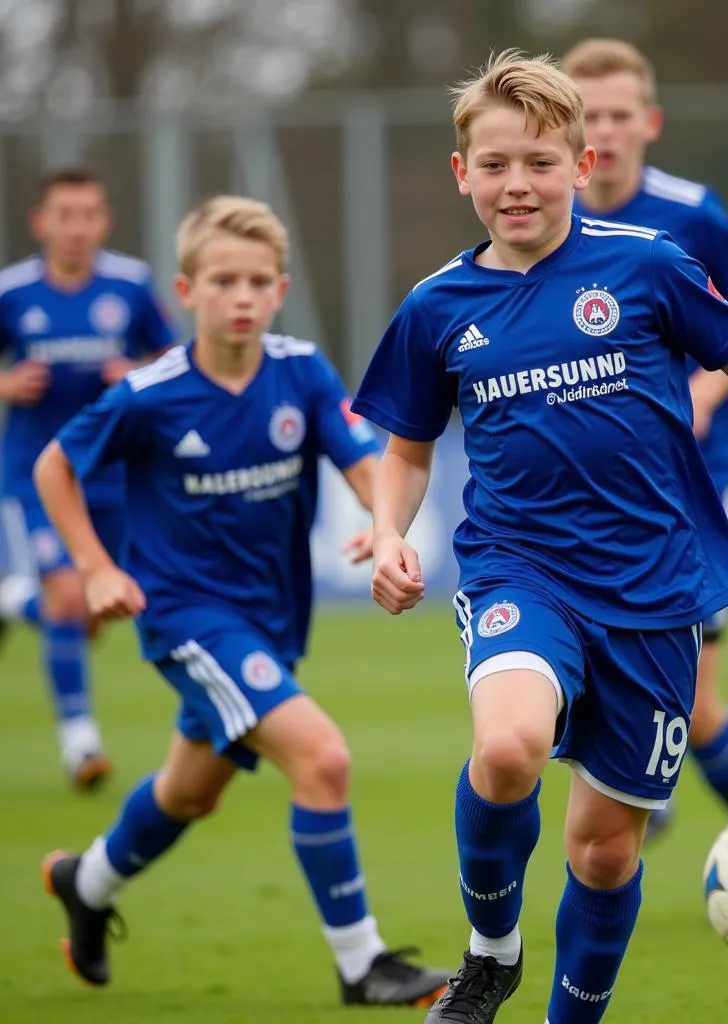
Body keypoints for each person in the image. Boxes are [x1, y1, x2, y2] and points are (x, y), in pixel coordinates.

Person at [351, 49, 728, 1024]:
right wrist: (385, 531)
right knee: (505, 749)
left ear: (581, 166)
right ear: (462, 173)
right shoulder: (435, 308)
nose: (517, 184)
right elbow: (408, 448)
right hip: (519, 566)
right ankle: (489, 955)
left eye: (541, 163)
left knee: (602, 847)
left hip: (655, 588)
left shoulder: (645, 262)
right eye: (495, 165)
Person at [34, 195, 450, 1006]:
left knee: (189, 793)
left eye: (259, 281)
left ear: (281, 288)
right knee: (322, 758)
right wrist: (93, 569)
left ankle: (85, 883)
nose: (243, 297)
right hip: (187, 618)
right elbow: (56, 465)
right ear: (186, 292)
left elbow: (364, 462)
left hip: (269, 619)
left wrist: (385, 524)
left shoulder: (301, 371)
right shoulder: (151, 393)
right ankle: (363, 963)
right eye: (224, 280)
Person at [563, 38, 728, 840]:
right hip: (601, 488)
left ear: (649, 122)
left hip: (701, 474)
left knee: (692, 702)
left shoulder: (692, 214)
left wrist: (707, 385)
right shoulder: (548, 219)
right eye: (589, 115)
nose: (607, 130)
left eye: (621, 114)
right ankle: (643, 792)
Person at [0, 165, 177, 788]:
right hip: (33, 473)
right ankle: (81, 744)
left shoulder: (129, 286)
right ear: (40, 222)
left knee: (100, 609)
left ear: (104, 221)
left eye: (88, 216)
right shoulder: (13, 292)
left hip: (113, 477)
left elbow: (172, 359)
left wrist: (133, 373)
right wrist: (6, 383)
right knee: (70, 599)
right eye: (64, 216)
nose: (77, 229)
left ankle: (12, 600)